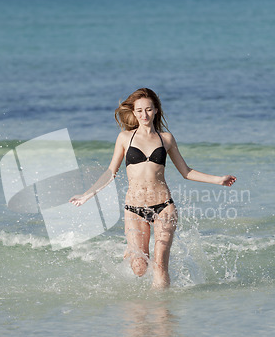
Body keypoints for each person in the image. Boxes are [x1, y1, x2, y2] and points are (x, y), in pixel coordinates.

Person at [70, 88, 236, 288]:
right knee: (139, 268)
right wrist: (87, 195)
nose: (144, 115)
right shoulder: (125, 138)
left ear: (156, 110)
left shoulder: (166, 139)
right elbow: (110, 172)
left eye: (148, 110)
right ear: (133, 112)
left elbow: (186, 171)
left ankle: (162, 314)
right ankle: (131, 251)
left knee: (160, 265)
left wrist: (218, 180)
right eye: (139, 111)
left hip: (164, 207)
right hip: (134, 209)